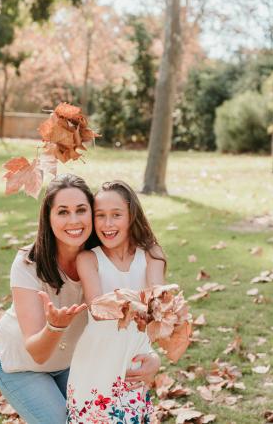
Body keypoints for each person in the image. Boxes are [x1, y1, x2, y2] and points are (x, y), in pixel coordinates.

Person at [0, 174, 160, 424]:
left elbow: (136, 313)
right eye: (63, 212)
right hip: (22, 366)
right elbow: (37, 352)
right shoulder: (28, 263)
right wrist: (55, 325)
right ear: (48, 218)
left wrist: (154, 357)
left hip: (76, 361)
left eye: (81, 210)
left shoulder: (101, 258)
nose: (74, 220)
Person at [67, 180, 167, 424]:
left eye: (116, 215)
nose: (107, 224)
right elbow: (99, 307)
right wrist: (140, 303)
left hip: (132, 367)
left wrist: (156, 356)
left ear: (131, 216)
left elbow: (158, 308)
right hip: (94, 367)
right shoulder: (89, 259)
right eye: (100, 215)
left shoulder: (151, 255)